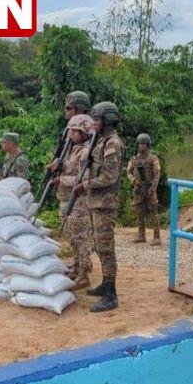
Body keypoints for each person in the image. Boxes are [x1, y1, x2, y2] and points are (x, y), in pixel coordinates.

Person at [73, 101, 125, 313]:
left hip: (105, 203)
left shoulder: (112, 144)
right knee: (99, 246)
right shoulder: (101, 141)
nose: (93, 123)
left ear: (108, 120)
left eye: (97, 119)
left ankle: (111, 294)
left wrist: (86, 185)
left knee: (105, 248)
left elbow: (110, 176)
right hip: (96, 202)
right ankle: (105, 284)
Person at [50, 114, 94, 290]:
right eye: (71, 131)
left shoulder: (85, 151)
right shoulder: (73, 149)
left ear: (85, 132)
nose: (72, 134)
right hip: (68, 199)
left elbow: (84, 178)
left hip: (79, 202)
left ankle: (84, 275)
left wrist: (62, 180)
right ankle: (77, 267)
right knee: (72, 238)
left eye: (76, 131)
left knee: (81, 239)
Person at [127, 133, 162, 245]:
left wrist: (153, 187)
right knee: (139, 212)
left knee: (153, 212)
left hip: (150, 188)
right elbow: (128, 172)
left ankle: (157, 237)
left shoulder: (152, 158)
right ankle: (141, 235)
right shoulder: (134, 159)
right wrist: (134, 181)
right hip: (138, 189)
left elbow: (157, 174)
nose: (141, 146)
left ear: (147, 145)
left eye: (143, 144)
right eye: (139, 144)